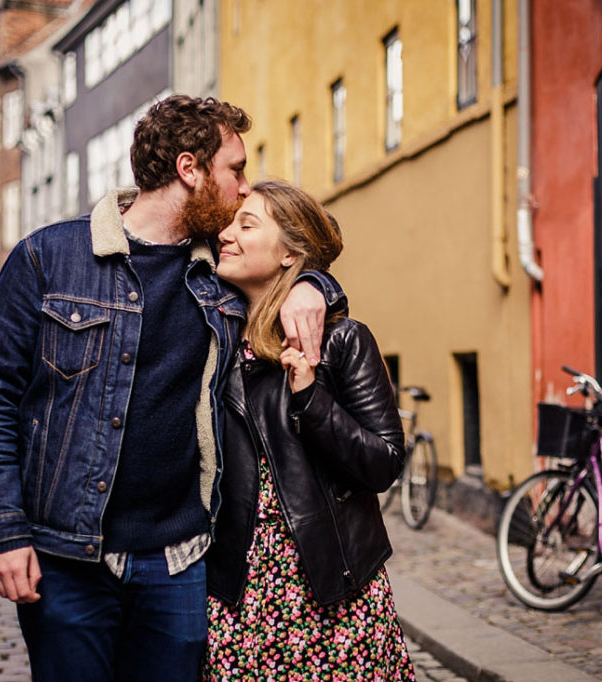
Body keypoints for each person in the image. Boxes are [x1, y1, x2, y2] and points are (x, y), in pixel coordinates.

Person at [0, 96, 345, 681]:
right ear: (190, 170)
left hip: (180, 561)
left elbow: (309, 243)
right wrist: (2, 531)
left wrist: (314, 287)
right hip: (68, 558)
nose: (244, 189)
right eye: (235, 170)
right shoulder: (49, 258)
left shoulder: (222, 269)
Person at [204, 180, 416, 680]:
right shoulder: (217, 343)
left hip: (329, 592)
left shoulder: (343, 342)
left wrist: (310, 399)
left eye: (246, 224)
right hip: (239, 596)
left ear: (288, 254)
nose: (225, 235)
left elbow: (384, 462)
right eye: (230, 223)